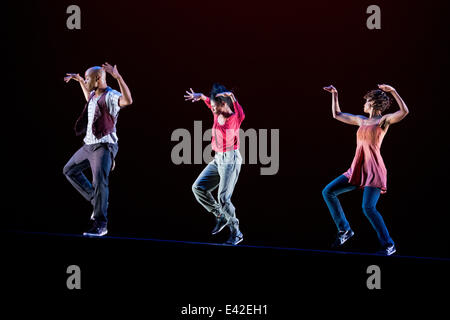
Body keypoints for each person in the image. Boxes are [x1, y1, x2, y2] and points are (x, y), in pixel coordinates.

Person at [322, 84, 409, 255]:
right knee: (328, 191)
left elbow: (404, 112)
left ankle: (389, 244)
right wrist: (335, 94)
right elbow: (337, 114)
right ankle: (345, 230)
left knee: (368, 208)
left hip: (374, 170)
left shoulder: (384, 121)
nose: (363, 104)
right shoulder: (361, 120)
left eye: (366, 101)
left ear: (373, 103)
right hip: (356, 169)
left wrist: (393, 91)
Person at [63, 63, 133, 237]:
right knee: (69, 170)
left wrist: (118, 77)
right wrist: (79, 80)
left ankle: (101, 224)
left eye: (88, 79)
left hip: (103, 146)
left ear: (98, 79)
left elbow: (128, 101)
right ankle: (97, 201)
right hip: (88, 146)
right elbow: (89, 98)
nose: (86, 81)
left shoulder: (111, 96)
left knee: (99, 183)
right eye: (85, 79)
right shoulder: (94, 95)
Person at [184, 84, 245, 245]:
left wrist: (231, 96)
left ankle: (236, 232)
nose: (213, 110)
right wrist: (202, 97)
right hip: (218, 159)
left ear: (224, 104)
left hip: (230, 159)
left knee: (223, 197)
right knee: (198, 188)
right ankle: (221, 216)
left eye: (215, 107)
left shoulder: (234, 117)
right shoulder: (216, 109)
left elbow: (234, 101)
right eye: (212, 107)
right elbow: (210, 103)